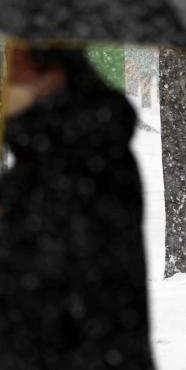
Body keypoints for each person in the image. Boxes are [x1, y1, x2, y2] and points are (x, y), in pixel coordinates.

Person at [0, 45, 155, 369]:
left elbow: (59, 275)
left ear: (54, 74)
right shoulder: (43, 156)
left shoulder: (78, 159)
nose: (10, 79)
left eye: (18, 69)